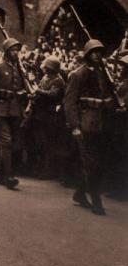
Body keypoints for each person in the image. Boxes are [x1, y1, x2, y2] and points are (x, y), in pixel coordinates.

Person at [64, 39, 125, 215]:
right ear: (87, 54)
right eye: (93, 52)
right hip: (86, 124)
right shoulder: (78, 74)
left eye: (99, 52)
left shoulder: (103, 73)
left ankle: (80, 193)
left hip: (103, 124)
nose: (97, 55)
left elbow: (109, 94)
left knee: (99, 163)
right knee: (92, 164)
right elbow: (69, 103)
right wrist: (74, 126)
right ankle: (96, 201)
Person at [0, 37, 28, 190]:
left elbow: (23, 88)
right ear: (7, 52)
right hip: (2, 109)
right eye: (13, 50)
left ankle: (0, 175)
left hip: (16, 110)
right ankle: (9, 176)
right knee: (6, 142)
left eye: (17, 50)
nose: (16, 53)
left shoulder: (20, 68)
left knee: (14, 143)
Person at [27, 56, 65, 178]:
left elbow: (53, 94)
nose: (43, 68)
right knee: (39, 142)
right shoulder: (45, 77)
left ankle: (48, 170)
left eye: (46, 66)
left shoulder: (58, 80)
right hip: (39, 113)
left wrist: (38, 91)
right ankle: (39, 167)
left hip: (49, 115)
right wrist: (33, 96)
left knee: (47, 143)